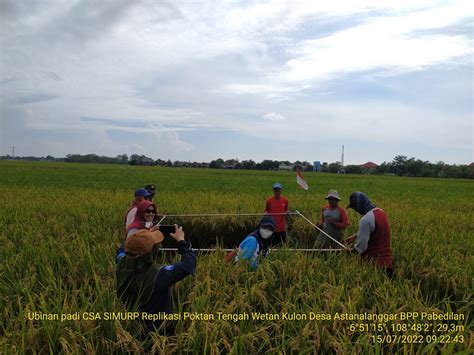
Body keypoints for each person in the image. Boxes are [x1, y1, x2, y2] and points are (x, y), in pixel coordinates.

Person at [116, 217, 196, 336]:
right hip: (158, 332)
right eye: (154, 244)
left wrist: (145, 236)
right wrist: (181, 241)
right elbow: (189, 264)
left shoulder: (121, 263)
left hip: (132, 328)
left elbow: (123, 250)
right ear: (148, 253)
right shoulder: (158, 275)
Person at [346, 191, 394, 278]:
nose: (356, 210)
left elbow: (361, 248)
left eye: (355, 207)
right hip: (387, 264)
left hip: (374, 266)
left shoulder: (366, 220)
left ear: (360, 203)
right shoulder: (381, 212)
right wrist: (357, 235)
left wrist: (350, 251)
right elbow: (377, 230)